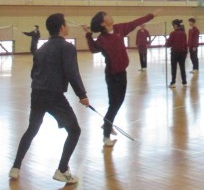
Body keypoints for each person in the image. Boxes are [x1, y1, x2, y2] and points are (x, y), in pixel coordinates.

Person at [10, 13, 89, 184]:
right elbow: (72, 72)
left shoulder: (41, 48)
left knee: (32, 129)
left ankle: (15, 167)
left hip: (37, 93)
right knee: (74, 130)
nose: (68, 26)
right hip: (54, 96)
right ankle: (62, 170)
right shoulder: (67, 47)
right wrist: (82, 95)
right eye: (66, 24)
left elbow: (33, 73)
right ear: (61, 27)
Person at [86, 10, 156, 147]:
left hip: (122, 72)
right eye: (106, 16)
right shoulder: (102, 39)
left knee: (117, 102)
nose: (110, 16)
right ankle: (106, 134)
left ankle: (107, 123)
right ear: (103, 23)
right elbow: (94, 49)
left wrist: (150, 16)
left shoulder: (119, 29)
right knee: (114, 104)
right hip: (112, 75)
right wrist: (88, 35)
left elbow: (134, 23)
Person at [166, 19, 187, 88]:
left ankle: (173, 82)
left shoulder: (173, 34)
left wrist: (167, 41)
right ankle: (184, 82)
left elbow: (168, 44)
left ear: (175, 25)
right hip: (182, 53)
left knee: (174, 68)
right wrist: (186, 53)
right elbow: (185, 44)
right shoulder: (184, 33)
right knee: (182, 68)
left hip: (174, 53)